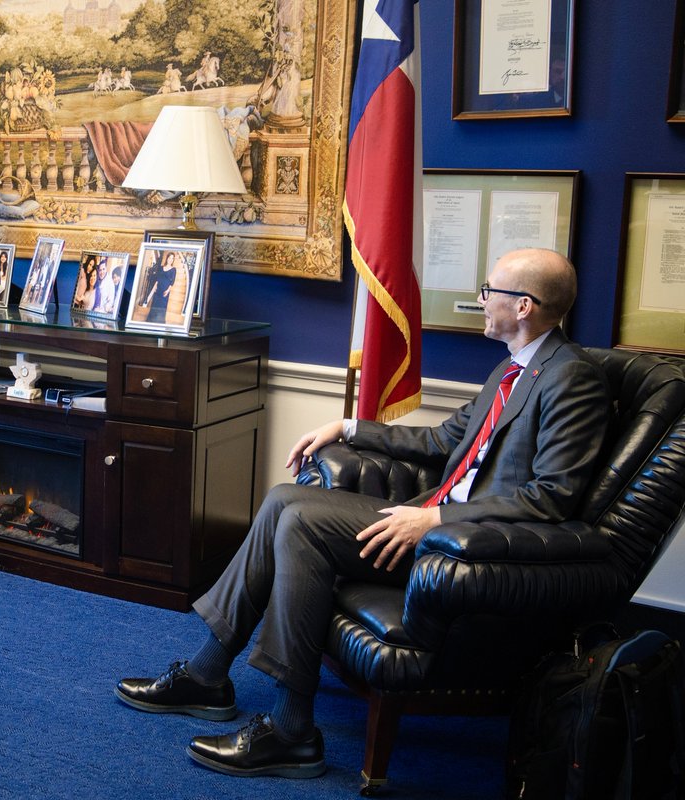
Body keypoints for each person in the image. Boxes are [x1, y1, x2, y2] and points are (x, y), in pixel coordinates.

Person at [115, 248, 610, 781]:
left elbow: (551, 497)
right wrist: (347, 427)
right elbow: (444, 440)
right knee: (284, 498)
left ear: (525, 306)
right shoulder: (513, 368)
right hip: (429, 518)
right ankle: (210, 675)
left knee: (301, 522)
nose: (481, 300)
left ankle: (289, 728)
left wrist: (436, 521)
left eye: (490, 291)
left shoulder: (569, 378)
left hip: (465, 548)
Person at [140, 251, 177, 323]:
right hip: (158, 289)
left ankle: (159, 322)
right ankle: (151, 320)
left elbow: (172, 282)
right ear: (167, 258)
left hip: (165, 291)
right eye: (170, 258)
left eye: (172, 259)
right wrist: (153, 289)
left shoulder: (173, 269)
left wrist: (167, 291)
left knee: (162, 307)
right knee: (154, 305)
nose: (171, 260)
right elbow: (157, 280)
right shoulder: (161, 267)